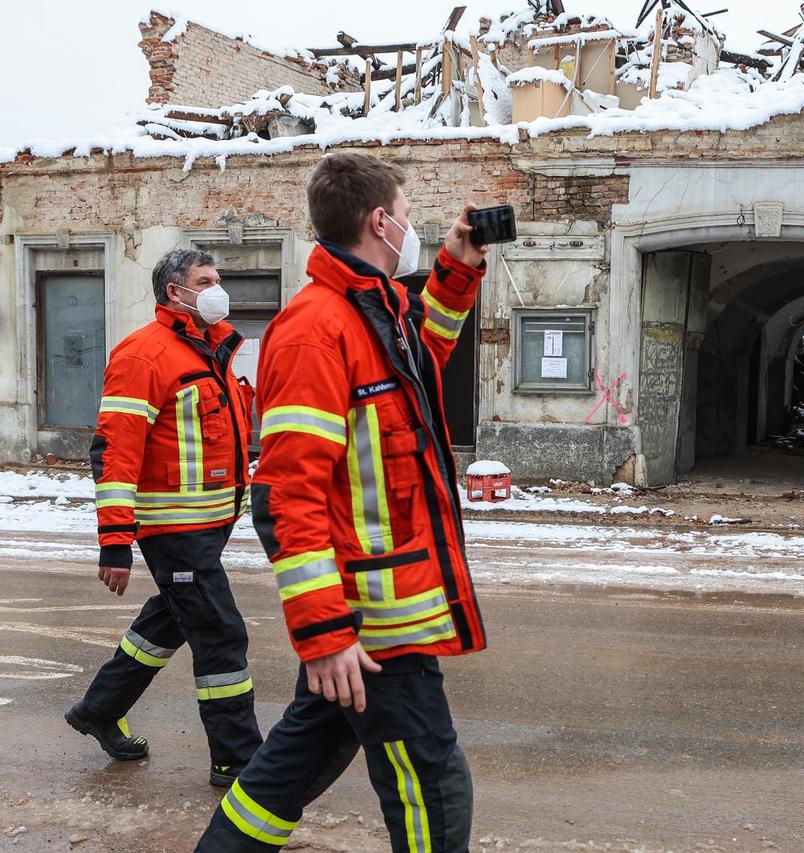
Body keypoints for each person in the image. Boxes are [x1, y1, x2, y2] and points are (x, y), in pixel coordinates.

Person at [195, 151, 489, 853]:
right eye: (408, 216)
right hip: (370, 617)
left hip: (377, 607)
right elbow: (286, 495)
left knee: (298, 760)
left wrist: (455, 267)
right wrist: (325, 633)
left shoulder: (372, 310)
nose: (413, 228)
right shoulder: (313, 330)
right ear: (380, 222)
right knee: (433, 788)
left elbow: (423, 357)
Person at [65, 248, 263, 788]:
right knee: (220, 632)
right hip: (174, 531)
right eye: (206, 280)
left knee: (172, 617)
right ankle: (238, 758)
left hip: (207, 528)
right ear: (176, 292)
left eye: (218, 279)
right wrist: (115, 540)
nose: (218, 289)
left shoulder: (211, 348)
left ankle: (100, 709)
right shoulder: (144, 355)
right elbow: (114, 452)